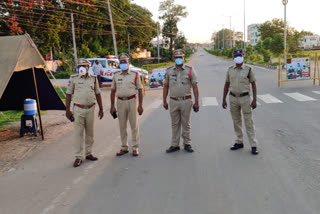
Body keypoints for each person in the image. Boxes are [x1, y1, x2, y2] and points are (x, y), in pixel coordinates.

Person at [65, 58, 104, 167]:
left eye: (84, 66)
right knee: (78, 134)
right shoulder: (73, 78)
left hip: (91, 109)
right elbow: (68, 94)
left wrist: (101, 108)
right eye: (80, 66)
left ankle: (88, 153)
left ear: (88, 68)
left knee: (90, 133)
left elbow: (98, 93)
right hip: (78, 109)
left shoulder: (93, 79)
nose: (82, 68)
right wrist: (67, 110)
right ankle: (78, 157)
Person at [222, 49, 259, 155]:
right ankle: (239, 141)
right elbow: (226, 84)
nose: (238, 57)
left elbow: (253, 84)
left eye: (240, 55)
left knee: (249, 122)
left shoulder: (249, 69)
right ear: (233, 58)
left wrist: (255, 99)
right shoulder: (230, 70)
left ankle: (253, 145)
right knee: (236, 121)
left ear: (243, 56)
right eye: (236, 55)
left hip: (245, 98)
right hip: (233, 98)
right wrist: (223, 98)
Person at [163, 49, 199, 153]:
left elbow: (195, 87)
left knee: (186, 123)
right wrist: (164, 101)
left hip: (186, 101)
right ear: (174, 58)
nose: (178, 59)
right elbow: (165, 87)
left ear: (184, 58)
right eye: (176, 57)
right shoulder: (169, 71)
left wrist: (196, 102)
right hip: (173, 101)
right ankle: (174, 145)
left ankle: (187, 144)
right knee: (175, 124)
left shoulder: (190, 70)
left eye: (180, 57)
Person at [110, 53, 143, 157]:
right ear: (119, 63)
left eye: (125, 61)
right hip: (120, 102)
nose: (123, 63)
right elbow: (112, 91)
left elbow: (140, 90)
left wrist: (140, 105)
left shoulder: (135, 74)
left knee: (134, 125)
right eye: (122, 62)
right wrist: (112, 106)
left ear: (129, 63)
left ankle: (135, 147)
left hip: (132, 101)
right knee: (122, 126)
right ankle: (124, 147)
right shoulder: (116, 75)